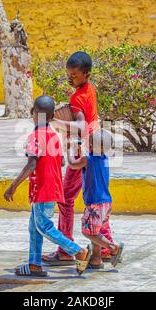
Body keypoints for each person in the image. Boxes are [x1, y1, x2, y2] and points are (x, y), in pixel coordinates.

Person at [4, 95, 92, 277]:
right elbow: (60, 162)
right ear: (52, 116)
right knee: (34, 227)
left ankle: (77, 251)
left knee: (44, 226)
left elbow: (32, 164)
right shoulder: (54, 135)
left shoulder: (35, 136)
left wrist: (13, 186)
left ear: (32, 113)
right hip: (52, 187)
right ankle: (34, 265)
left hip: (43, 189)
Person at [44, 51, 115, 266]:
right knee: (98, 200)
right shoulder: (89, 89)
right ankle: (105, 247)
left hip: (80, 148)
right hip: (94, 147)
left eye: (74, 75)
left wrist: (54, 121)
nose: (70, 78)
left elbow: (81, 126)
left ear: (86, 74)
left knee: (65, 199)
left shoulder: (78, 97)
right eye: (69, 74)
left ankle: (66, 249)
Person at [66, 129, 124, 269]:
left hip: (94, 204)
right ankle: (96, 259)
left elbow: (73, 164)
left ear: (91, 145)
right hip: (106, 203)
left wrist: (68, 150)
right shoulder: (104, 158)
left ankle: (113, 248)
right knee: (96, 231)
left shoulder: (88, 159)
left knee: (88, 232)